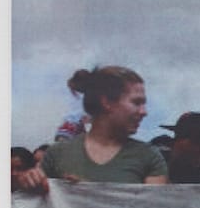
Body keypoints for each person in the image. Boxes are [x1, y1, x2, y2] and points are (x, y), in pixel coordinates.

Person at [17, 66, 168, 191]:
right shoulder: (56, 154)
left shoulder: (150, 157)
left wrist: (90, 195)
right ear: (107, 102)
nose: (144, 112)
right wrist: (29, 182)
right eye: (137, 102)